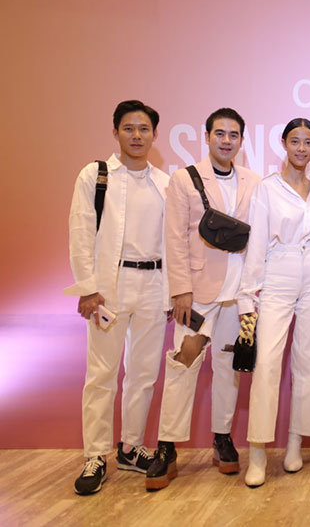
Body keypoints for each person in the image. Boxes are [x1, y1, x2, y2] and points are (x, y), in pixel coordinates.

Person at [146, 108, 260, 491]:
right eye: (220, 133)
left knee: (229, 366)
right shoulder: (184, 178)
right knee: (184, 361)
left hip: (239, 295)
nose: (227, 140)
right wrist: (179, 289)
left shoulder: (253, 181)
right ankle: (167, 446)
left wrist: (254, 294)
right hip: (196, 292)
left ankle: (222, 438)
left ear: (242, 140)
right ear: (207, 136)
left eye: (234, 134)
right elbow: (174, 237)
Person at [66, 100, 169, 495]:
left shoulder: (165, 183)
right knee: (102, 374)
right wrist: (88, 288)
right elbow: (80, 232)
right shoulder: (95, 176)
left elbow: (173, 243)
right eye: (129, 128)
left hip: (154, 285)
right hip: (110, 287)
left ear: (154, 135)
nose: (137, 136)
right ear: (115, 132)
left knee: (143, 374)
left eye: (144, 129)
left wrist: (171, 293)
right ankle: (95, 455)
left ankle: (131, 447)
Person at [238, 118, 310, 488]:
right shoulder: (267, 188)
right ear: (283, 143)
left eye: (308, 142)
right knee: (266, 363)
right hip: (278, 270)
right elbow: (257, 243)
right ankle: (257, 452)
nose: (301, 148)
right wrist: (248, 296)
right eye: (295, 141)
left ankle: (295, 443)